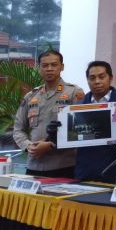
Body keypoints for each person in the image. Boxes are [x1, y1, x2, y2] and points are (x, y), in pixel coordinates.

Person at [13, 49, 85, 178]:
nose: (49, 69)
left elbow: (80, 129)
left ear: (62, 67)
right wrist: (28, 146)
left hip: (63, 165)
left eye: (54, 65)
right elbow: (18, 129)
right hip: (34, 165)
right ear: (39, 68)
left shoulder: (74, 93)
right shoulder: (31, 96)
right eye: (45, 65)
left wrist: (51, 145)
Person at [74, 61, 116, 184]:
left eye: (101, 77)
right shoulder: (77, 108)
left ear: (111, 78)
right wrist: (58, 133)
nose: (97, 81)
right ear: (87, 80)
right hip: (86, 172)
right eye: (92, 78)